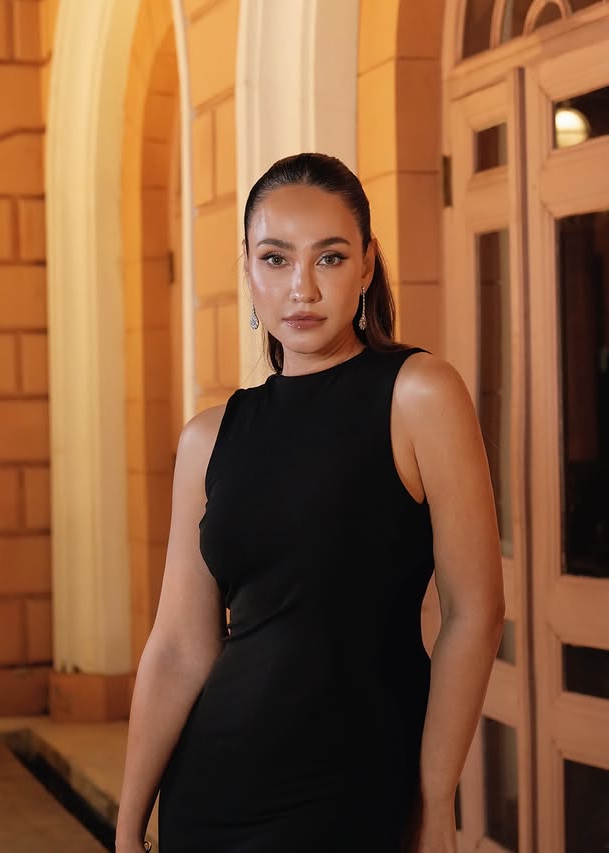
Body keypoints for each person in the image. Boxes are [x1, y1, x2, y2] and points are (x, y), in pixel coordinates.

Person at [115, 153, 505, 853]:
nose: (302, 287)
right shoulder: (209, 438)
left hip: (357, 788)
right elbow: (177, 646)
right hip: (212, 791)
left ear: (366, 265)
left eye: (329, 257)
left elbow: (474, 612)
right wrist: (127, 823)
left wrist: (436, 799)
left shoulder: (419, 394)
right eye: (275, 258)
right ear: (248, 269)